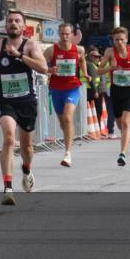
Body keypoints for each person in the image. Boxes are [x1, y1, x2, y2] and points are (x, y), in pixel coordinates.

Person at [0, 10, 49, 206]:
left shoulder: (30, 45)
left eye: (17, 21)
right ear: (6, 26)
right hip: (5, 100)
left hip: (27, 101)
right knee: (10, 138)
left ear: (23, 26)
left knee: (27, 147)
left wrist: (19, 55)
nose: (13, 24)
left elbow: (44, 68)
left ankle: (27, 169)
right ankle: (8, 188)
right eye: (10, 21)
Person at [96, 26, 130, 167]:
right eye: (116, 40)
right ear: (113, 41)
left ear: (126, 40)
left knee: (126, 123)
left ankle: (122, 154)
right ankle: (126, 137)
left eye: (121, 39)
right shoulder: (109, 52)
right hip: (115, 91)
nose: (119, 42)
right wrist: (111, 68)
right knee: (120, 124)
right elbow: (98, 71)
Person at [43, 23, 88, 167]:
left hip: (72, 88)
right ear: (59, 34)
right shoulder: (51, 50)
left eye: (67, 34)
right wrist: (50, 69)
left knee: (68, 118)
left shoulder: (79, 49)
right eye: (62, 34)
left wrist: (86, 74)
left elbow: (82, 61)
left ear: (72, 35)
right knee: (63, 123)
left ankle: (68, 153)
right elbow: (41, 64)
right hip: (56, 89)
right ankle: (68, 137)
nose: (64, 36)